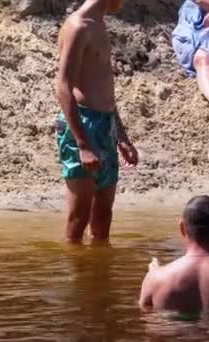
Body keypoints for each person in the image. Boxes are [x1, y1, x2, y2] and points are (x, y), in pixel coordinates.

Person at [55, 0, 139, 243]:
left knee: (103, 215)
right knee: (79, 217)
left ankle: (97, 277)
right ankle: (76, 276)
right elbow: (63, 87)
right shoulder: (78, 26)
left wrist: (122, 137)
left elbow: (105, 88)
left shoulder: (99, 24)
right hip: (83, 124)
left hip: (106, 124)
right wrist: (82, 145)